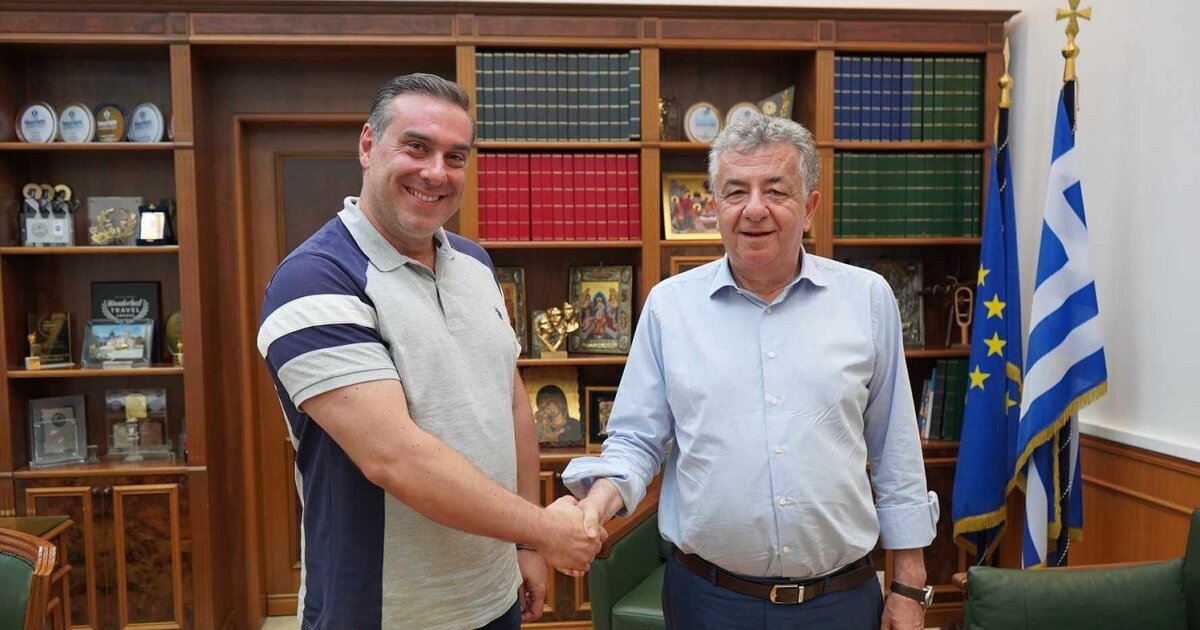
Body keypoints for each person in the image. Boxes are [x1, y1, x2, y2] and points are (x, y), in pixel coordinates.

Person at [562, 114, 939, 630]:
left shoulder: (868, 299)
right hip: (708, 601)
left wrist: (909, 586)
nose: (754, 209)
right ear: (714, 207)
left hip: (840, 601)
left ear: (809, 208)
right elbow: (636, 440)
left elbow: (895, 452)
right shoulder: (670, 307)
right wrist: (596, 504)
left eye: (776, 191)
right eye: (736, 191)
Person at [258, 73, 601, 630]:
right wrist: (543, 529)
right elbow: (394, 457)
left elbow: (511, 400)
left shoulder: (475, 264)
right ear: (368, 145)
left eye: (455, 156)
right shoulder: (314, 281)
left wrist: (524, 546)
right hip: (382, 611)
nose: (436, 172)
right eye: (416, 147)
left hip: (494, 596)